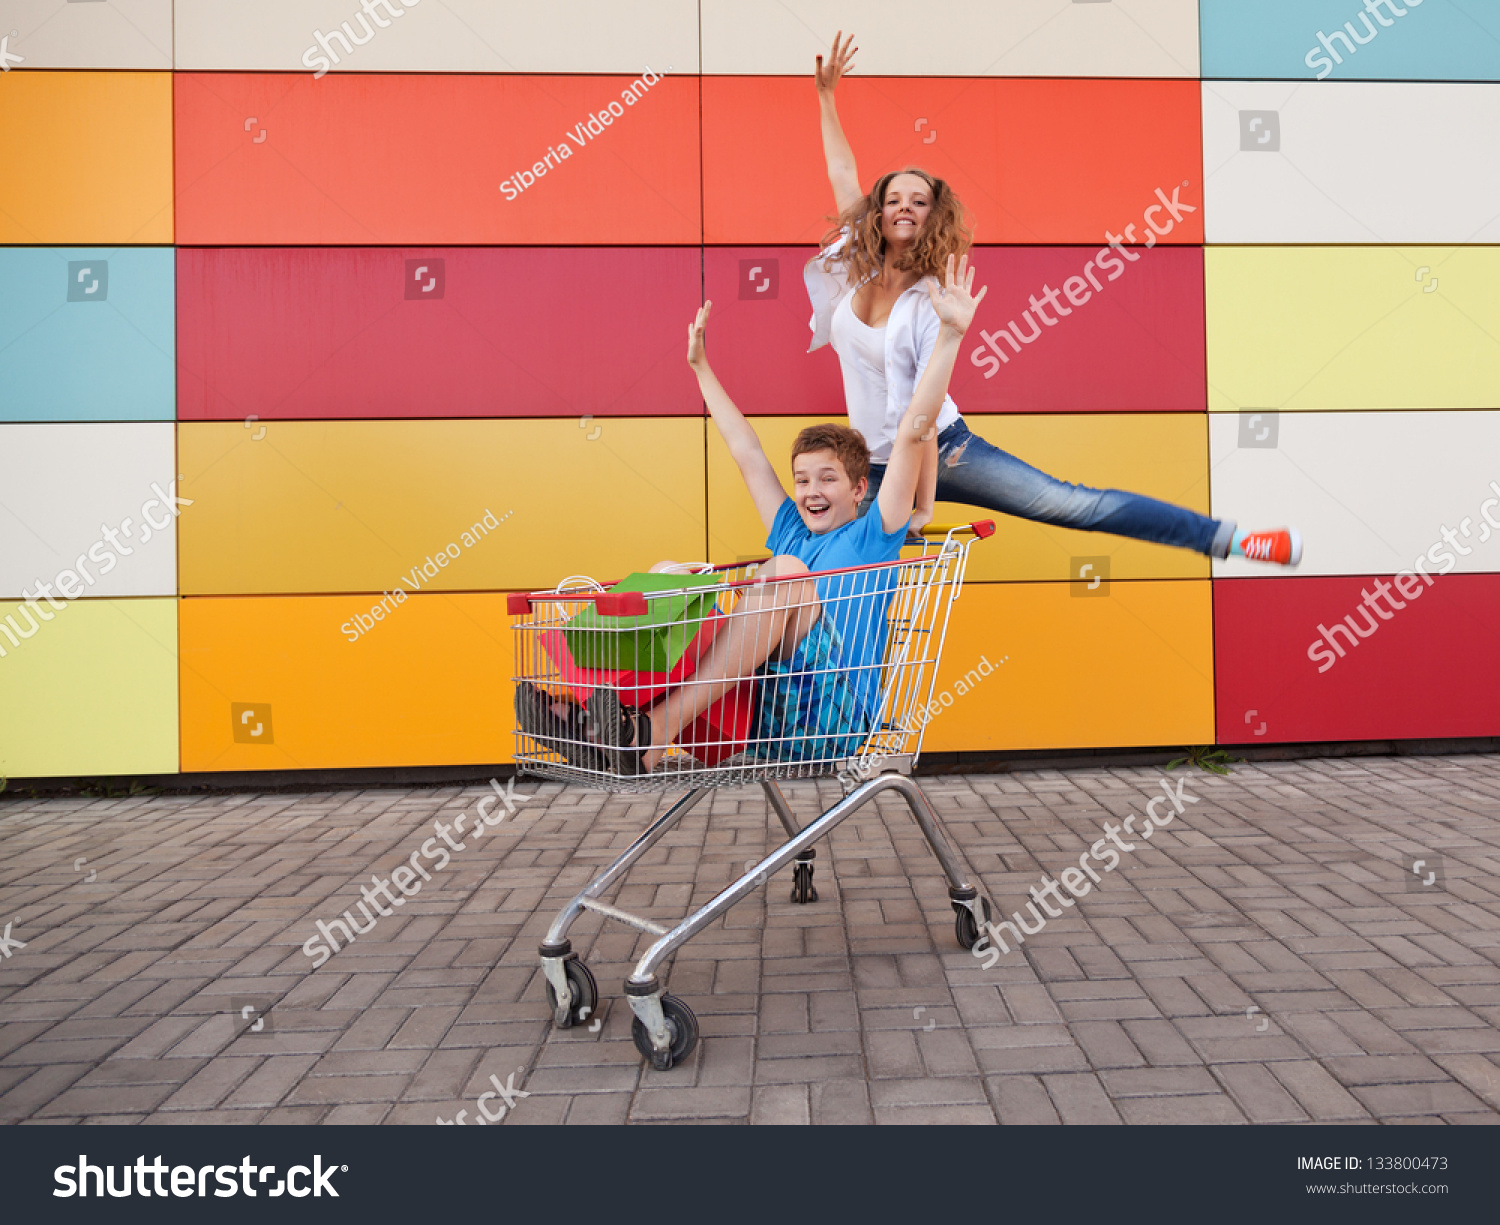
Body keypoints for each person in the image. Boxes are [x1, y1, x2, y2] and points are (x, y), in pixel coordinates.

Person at [808, 31, 1302, 567]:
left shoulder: (933, 302)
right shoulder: (852, 259)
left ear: (934, 215)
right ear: (877, 213)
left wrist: (919, 504)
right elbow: (840, 173)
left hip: (944, 451)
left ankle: (1231, 538)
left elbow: (918, 418)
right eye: (893, 198)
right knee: (838, 582)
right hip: (870, 466)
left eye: (919, 200)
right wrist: (826, 97)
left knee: (1070, 503)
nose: (904, 206)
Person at [517, 254, 986, 775]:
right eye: (803, 479)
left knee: (783, 573)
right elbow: (746, 451)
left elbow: (915, 431)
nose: (811, 491)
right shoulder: (790, 527)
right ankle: (594, 719)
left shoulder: (875, 534)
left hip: (833, 717)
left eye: (827, 479)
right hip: (760, 706)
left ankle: (649, 734)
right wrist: (700, 368)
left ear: (859, 490)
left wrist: (948, 338)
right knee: (675, 575)